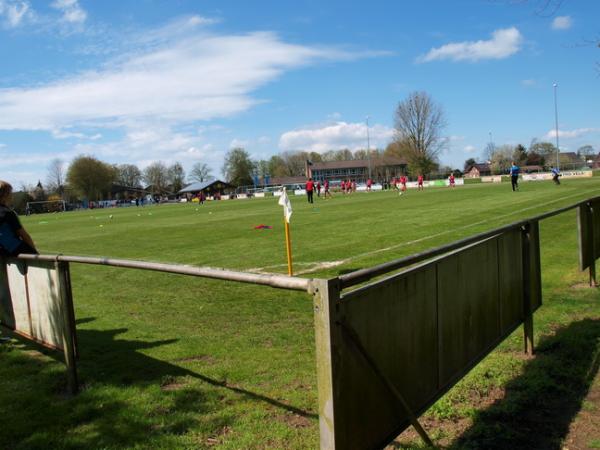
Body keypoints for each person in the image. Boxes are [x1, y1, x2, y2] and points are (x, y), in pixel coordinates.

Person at [0, 180, 38, 257]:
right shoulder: (8, 213)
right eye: (10, 192)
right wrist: (35, 252)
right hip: (13, 249)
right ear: (4, 195)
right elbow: (24, 235)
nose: (12, 195)